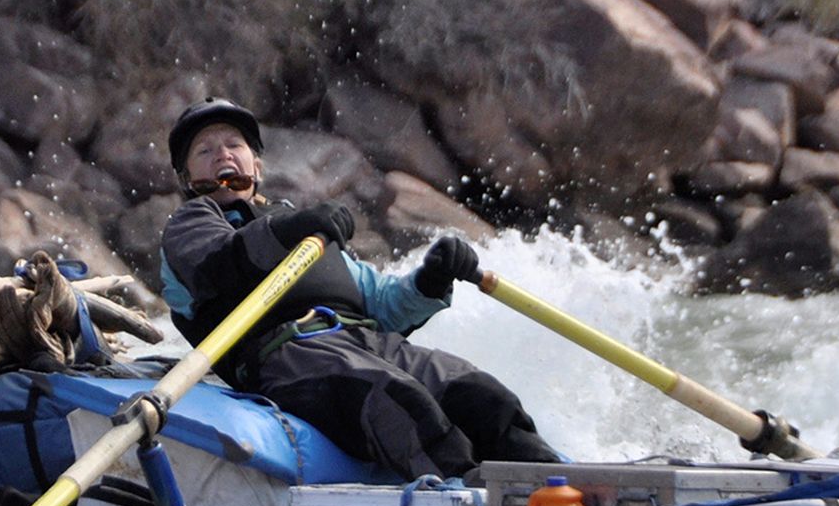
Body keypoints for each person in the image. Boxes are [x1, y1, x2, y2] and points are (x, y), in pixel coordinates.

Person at [157, 97, 561, 481]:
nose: (223, 155)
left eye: (233, 145)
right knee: (401, 403)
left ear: (257, 167)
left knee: (481, 393)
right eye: (205, 152)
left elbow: (384, 306)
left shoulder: (301, 225)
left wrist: (430, 279)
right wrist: (292, 228)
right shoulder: (191, 224)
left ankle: (556, 481)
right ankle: (467, 495)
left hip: (366, 340)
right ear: (189, 179)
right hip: (290, 359)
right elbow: (221, 263)